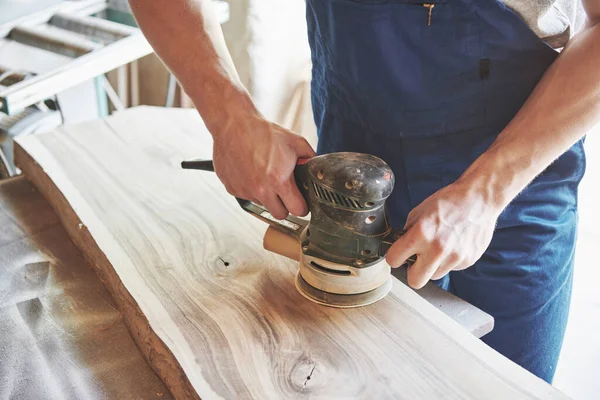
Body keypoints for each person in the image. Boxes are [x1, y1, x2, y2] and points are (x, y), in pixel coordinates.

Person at [128, 0, 600, 383]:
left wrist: (485, 192)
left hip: (514, 184)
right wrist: (230, 118)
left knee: (502, 383)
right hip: (350, 172)